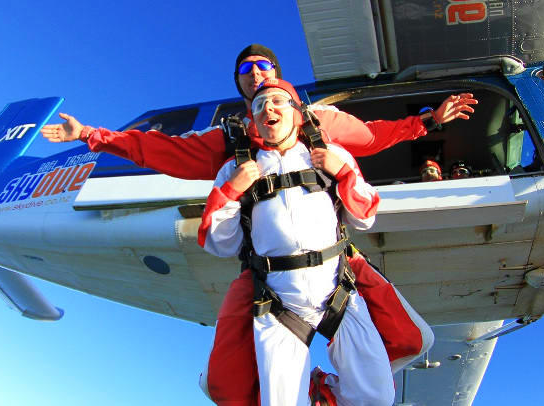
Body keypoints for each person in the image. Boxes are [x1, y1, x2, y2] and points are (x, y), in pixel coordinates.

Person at [42, 44, 468, 405]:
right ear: (242, 87)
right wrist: (90, 136)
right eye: (247, 71)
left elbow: (373, 137)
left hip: (336, 272)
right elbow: (158, 150)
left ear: (284, 85)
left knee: (411, 342)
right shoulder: (231, 147)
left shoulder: (322, 127)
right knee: (230, 387)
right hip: (271, 282)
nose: (258, 74)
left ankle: (332, 391)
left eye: (265, 67)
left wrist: (427, 123)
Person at [199, 79, 393, 405]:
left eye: (277, 101)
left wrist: (343, 174)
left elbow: (365, 217)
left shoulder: (331, 154)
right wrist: (232, 190)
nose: (268, 109)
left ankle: (323, 390)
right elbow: (220, 244)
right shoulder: (235, 168)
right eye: (259, 106)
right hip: (278, 302)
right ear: (253, 120)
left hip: (337, 293)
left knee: (379, 399)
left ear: (296, 112)